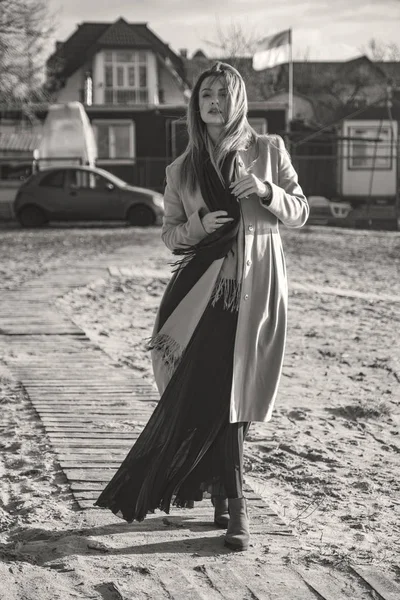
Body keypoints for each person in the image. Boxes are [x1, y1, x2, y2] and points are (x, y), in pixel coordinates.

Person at [95, 62, 309, 551]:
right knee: (217, 398)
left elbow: (299, 210)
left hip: (255, 294)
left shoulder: (269, 152)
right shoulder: (182, 168)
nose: (213, 100)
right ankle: (237, 508)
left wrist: (264, 190)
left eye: (223, 92)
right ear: (197, 105)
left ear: (239, 100)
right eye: (205, 93)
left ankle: (220, 492)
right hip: (201, 298)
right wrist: (199, 226)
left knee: (238, 400)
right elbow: (170, 235)